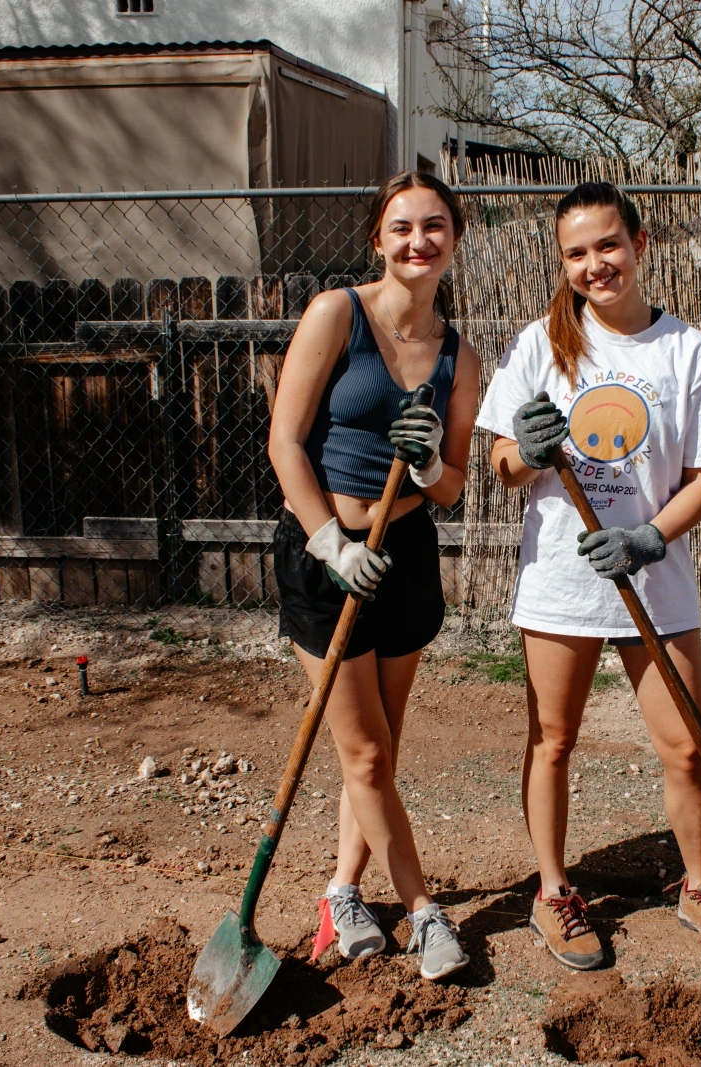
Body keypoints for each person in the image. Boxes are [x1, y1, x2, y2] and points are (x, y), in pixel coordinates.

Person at [475, 181, 701, 970]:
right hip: (562, 578)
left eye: (608, 245)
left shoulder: (686, 350)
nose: (596, 264)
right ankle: (553, 892)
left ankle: (699, 886)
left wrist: (649, 538)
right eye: (576, 253)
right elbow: (498, 465)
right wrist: (524, 451)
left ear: (639, 244)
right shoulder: (540, 345)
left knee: (686, 744)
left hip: (652, 580)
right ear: (562, 264)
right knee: (552, 741)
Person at [267, 170, 480, 980]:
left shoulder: (459, 355)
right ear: (377, 240)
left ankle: (342, 891)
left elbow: (454, 484)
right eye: (401, 228)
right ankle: (425, 911)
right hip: (328, 557)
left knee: (380, 750)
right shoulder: (336, 314)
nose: (418, 241)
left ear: (453, 239)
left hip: (405, 553)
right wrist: (329, 542)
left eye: (434, 226)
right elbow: (286, 441)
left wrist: (427, 460)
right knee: (365, 754)